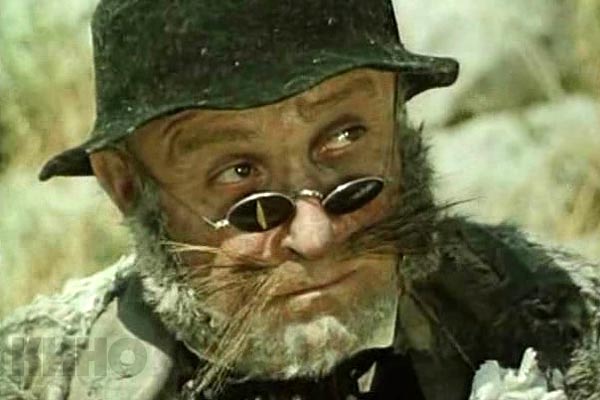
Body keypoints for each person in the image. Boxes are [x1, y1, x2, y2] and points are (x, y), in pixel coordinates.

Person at [1, 0, 598, 399]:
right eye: (239, 174)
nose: (315, 236)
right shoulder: (36, 378)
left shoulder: (564, 328)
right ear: (126, 183)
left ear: (397, 114)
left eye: (346, 137)